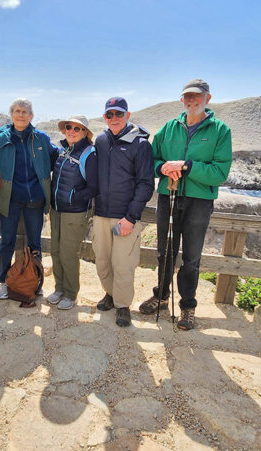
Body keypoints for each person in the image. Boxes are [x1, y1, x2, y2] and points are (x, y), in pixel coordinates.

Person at [138, 79, 232, 331]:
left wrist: (186, 167)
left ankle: (188, 306)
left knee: (191, 258)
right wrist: (164, 168)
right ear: (182, 99)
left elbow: (220, 172)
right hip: (168, 196)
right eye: (187, 97)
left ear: (207, 99)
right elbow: (152, 160)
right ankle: (161, 296)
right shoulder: (169, 128)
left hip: (199, 201)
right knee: (164, 252)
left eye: (196, 96)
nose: (191, 100)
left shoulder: (220, 131)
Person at [92, 97, 154, 327]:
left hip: (125, 217)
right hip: (101, 214)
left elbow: (146, 183)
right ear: (105, 117)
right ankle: (110, 294)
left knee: (123, 265)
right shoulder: (100, 141)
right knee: (102, 261)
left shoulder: (140, 144)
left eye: (119, 114)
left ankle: (123, 305)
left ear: (128, 115)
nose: (114, 118)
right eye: (110, 115)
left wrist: (131, 217)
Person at [0, 98, 58, 304]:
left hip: (35, 198)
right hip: (9, 198)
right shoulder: (2, 138)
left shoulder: (41, 138)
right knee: (7, 242)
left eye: (25, 111)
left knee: (35, 242)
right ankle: (4, 281)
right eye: (17, 111)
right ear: (11, 114)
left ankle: (35, 281)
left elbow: (57, 157)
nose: (21, 114)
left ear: (31, 116)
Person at [47, 115, 98, 310]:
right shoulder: (62, 151)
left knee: (69, 254)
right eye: (69, 127)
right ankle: (59, 288)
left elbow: (93, 187)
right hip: (57, 210)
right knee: (56, 251)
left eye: (77, 129)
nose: (71, 131)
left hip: (75, 212)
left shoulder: (89, 154)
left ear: (85, 132)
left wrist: (72, 198)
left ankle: (70, 293)